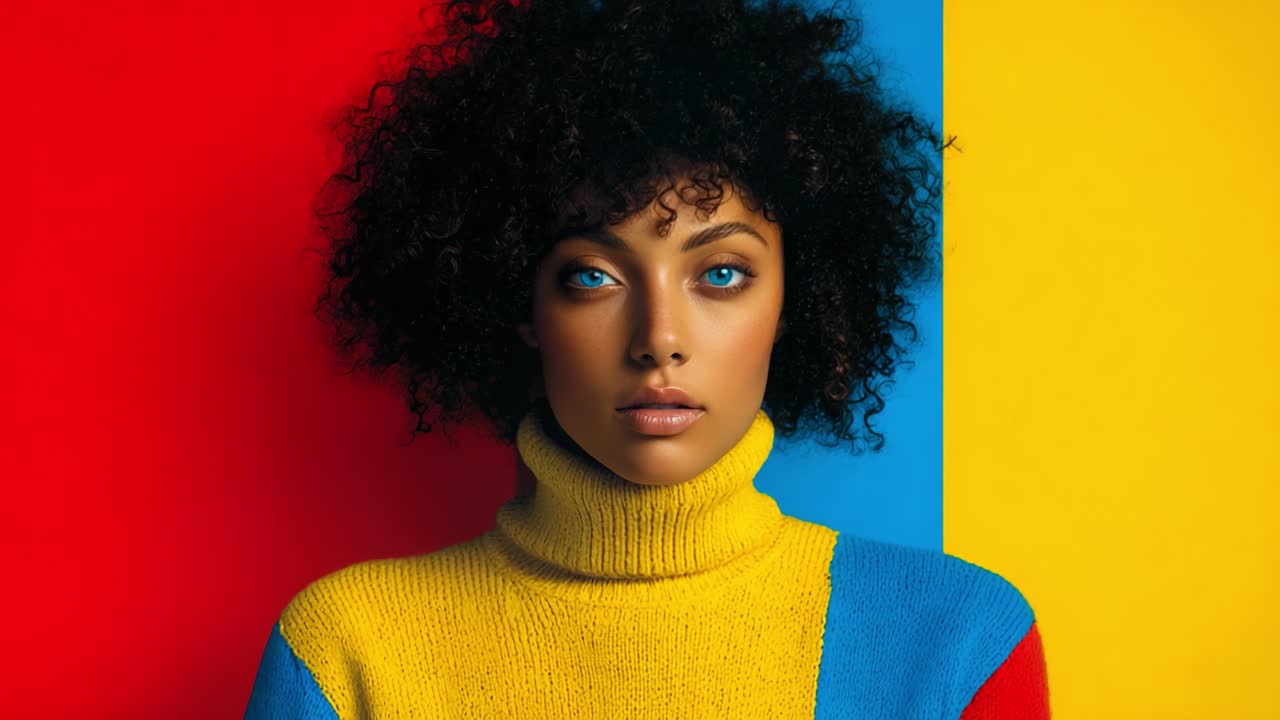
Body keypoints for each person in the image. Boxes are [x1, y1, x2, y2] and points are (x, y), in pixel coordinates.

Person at [245, 0, 1051, 717]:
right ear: (519, 304)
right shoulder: (348, 658)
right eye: (591, 276)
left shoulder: (954, 645)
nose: (658, 337)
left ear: (793, 303)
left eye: (722, 273)